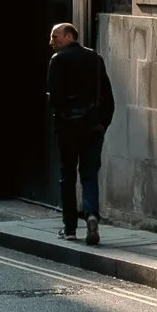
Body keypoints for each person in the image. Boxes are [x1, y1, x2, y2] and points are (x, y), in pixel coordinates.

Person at [45, 22, 113, 244]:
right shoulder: (95, 58)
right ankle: (91, 215)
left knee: (68, 176)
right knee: (90, 174)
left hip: (68, 128)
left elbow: (53, 98)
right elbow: (108, 96)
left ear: (69, 36)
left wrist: (61, 116)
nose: (51, 42)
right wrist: (102, 123)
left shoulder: (58, 61)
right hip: (93, 128)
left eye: (55, 37)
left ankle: (70, 228)